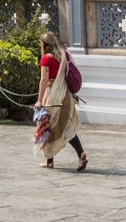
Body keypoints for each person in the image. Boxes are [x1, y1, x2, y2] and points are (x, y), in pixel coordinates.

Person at [34, 31, 86, 171]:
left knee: (46, 126)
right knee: (66, 128)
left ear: (44, 45)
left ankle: (49, 161)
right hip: (66, 96)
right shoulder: (63, 55)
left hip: (53, 95)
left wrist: (39, 101)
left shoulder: (46, 59)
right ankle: (80, 154)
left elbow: (44, 80)